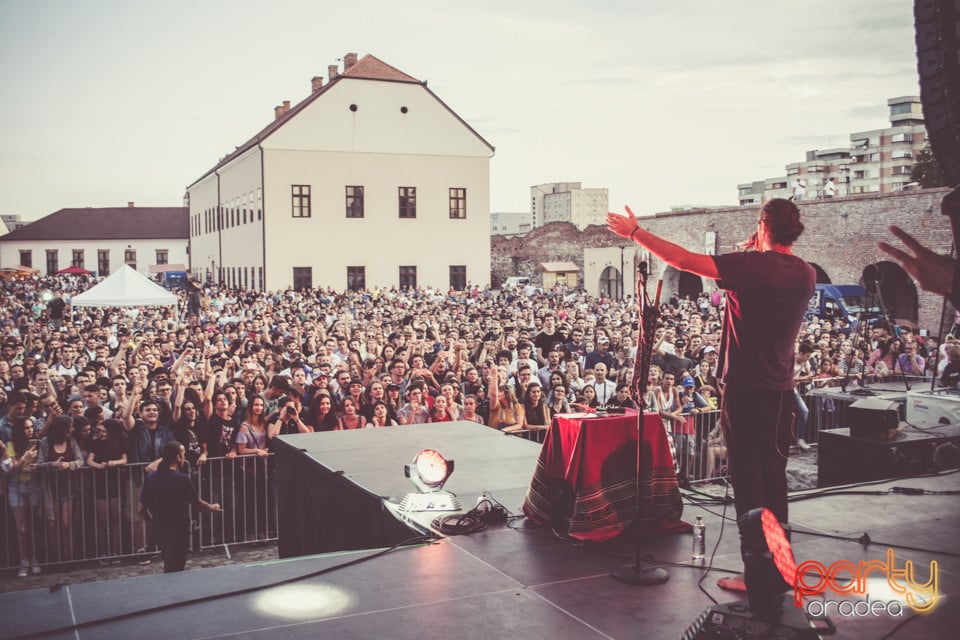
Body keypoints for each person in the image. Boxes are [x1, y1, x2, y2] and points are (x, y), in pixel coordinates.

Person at [608, 197, 814, 613]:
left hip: (744, 390)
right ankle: (777, 572)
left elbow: (684, 261)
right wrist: (753, 252)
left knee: (748, 482)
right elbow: (759, 276)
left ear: (762, 225)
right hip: (781, 393)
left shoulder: (750, 266)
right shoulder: (805, 273)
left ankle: (756, 579)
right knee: (775, 480)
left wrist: (635, 232)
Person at [139, 440, 221, 572]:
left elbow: (141, 509)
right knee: (175, 566)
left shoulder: (151, 478)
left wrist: (152, 522)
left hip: (161, 528)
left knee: (169, 562)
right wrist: (212, 507)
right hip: (178, 530)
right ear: (178, 457)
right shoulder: (182, 479)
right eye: (183, 454)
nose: (184, 457)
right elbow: (197, 503)